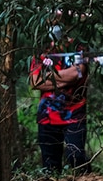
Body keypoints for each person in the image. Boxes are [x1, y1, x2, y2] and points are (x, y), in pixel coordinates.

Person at [29, 22, 89, 173]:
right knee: (50, 166)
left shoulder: (78, 47)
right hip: (47, 116)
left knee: (77, 158)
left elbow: (77, 73)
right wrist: (66, 78)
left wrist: (49, 79)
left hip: (75, 114)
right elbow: (35, 81)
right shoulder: (42, 50)